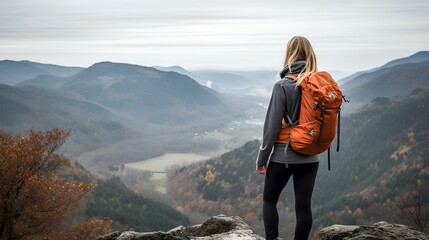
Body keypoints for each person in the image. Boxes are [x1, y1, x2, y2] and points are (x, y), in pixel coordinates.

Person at [256, 36, 320, 240]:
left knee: (269, 200)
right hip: (311, 157)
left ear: (289, 54)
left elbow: (271, 128)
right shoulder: (318, 85)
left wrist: (262, 159)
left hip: (285, 156)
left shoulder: (282, 86)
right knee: (303, 207)